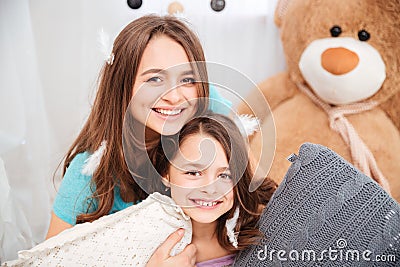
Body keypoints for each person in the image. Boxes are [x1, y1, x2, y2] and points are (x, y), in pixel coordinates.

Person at [46, 14, 231, 265]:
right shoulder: (89, 173)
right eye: (154, 79)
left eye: (187, 79)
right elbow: (48, 260)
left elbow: (256, 190)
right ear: (124, 85)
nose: (174, 96)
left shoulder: (209, 107)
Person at [148, 113, 276, 266]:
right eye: (193, 173)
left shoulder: (265, 232)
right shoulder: (143, 239)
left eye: (224, 175)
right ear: (166, 175)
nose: (210, 189)